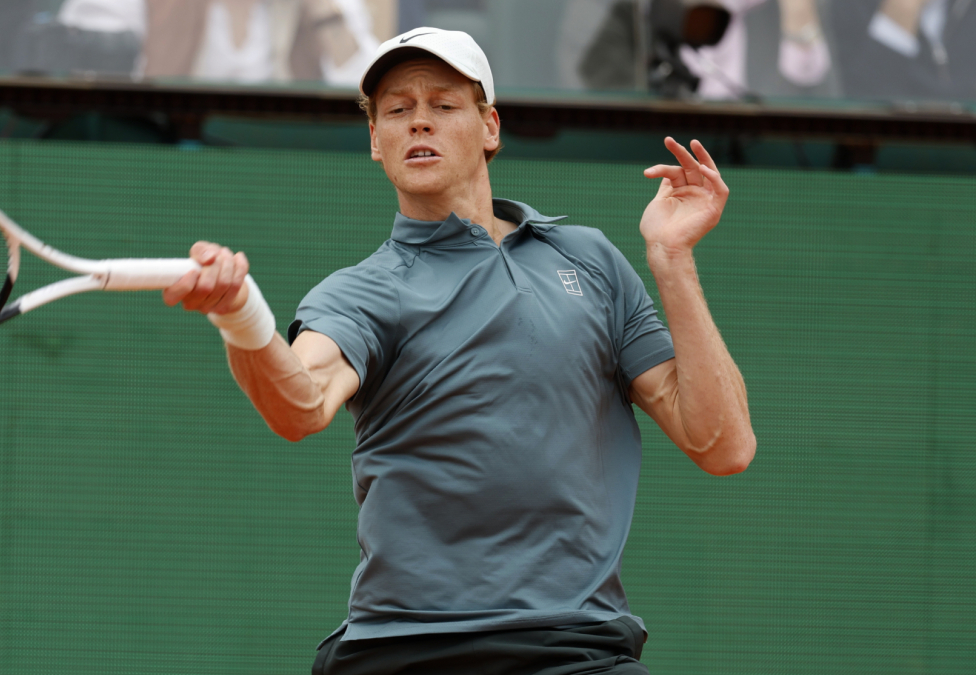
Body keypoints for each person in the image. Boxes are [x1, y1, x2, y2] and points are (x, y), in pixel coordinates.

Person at [163, 27, 755, 675]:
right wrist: (240, 315)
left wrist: (672, 259)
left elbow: (722, 444)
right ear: (375, 140)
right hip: (404, 651)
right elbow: (299, 405)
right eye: (396, 109)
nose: (419, 122)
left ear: (489, 126)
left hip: (574, 648)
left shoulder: (590, 263)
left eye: (443, 105)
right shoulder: (362, 293)